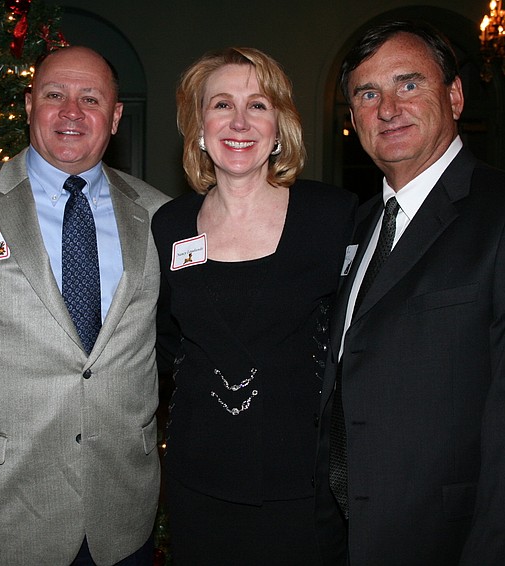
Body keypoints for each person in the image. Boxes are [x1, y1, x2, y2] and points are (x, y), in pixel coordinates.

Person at [313, 20, 505, 566]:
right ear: (352, 120)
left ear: (456, 95)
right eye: (368, 94)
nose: (388, 108)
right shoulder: (360, 224)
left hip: (471, 542)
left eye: (409, 84)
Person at [0, 46, 170, 565]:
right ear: (30, 104)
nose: (71, 112)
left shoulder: (160, 216)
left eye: (91, 99)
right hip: (6, 506)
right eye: (55, 95)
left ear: (116, 116)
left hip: (123, 507)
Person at [151, 47, 356, 564]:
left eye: (258, 105)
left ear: (280, 125)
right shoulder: (170, 224)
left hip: (301, 481)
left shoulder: (332, 216)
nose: (239, 121)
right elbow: (167, 340)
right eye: (221, 104)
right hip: (197, 477)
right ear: (198, 126)